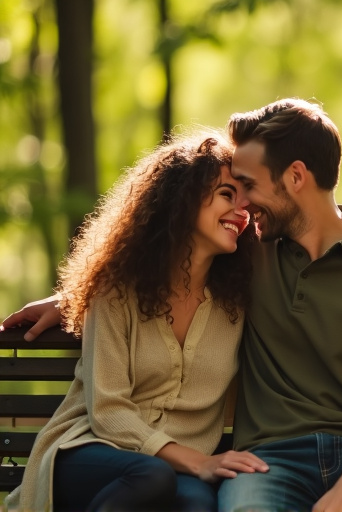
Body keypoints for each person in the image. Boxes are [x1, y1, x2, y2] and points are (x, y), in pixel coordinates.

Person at [2, 99, 342, 512]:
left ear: (295, 177)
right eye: (231, 193)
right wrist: (73, 298)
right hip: (270, 462)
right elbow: (154, 262)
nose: (245, 206)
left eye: (248, 187)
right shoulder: (250, 254)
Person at [2, 130, 268, 512]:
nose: (243, 210)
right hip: (91, 451)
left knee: (198, 505)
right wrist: (199, 462)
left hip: (177, 474)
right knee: (151, 477)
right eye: (227, 194)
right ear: (181, 201)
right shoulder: (115, 291)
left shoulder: (238, 302)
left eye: (247, 200)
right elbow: (108, 412)